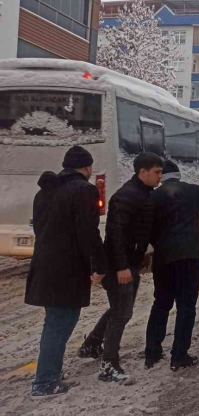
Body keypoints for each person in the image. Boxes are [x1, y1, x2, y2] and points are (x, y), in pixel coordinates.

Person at [25, 146, 107, 397]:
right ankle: (45, 382)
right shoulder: (84, 190)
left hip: (45, 265)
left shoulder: (44, 192)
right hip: (67, 268)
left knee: (57, 321)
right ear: (87, 168)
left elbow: (39, 229)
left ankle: (50, 373)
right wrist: (99, 265)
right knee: (59, 323)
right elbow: (88, 232)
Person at [79, 152, 163, 383]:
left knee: (118, 309)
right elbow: (114, 234)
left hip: (129, 264)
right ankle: (109, 364)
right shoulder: (127, 196)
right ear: (142, 172)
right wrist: (122, 267)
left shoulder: (143, 194)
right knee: (121, 314)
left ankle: (92, 344)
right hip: (121, 266)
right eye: (157, 172)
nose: (160, 177)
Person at [144, 160, 199, 371]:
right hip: (190, 258)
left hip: (164, 258)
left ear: (161, 176)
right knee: (186, 307)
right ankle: (179, 355)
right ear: (178, 175)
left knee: (161, 304)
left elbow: (147, 227)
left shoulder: (153, 196)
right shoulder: (194, 191)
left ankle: (152, 353)